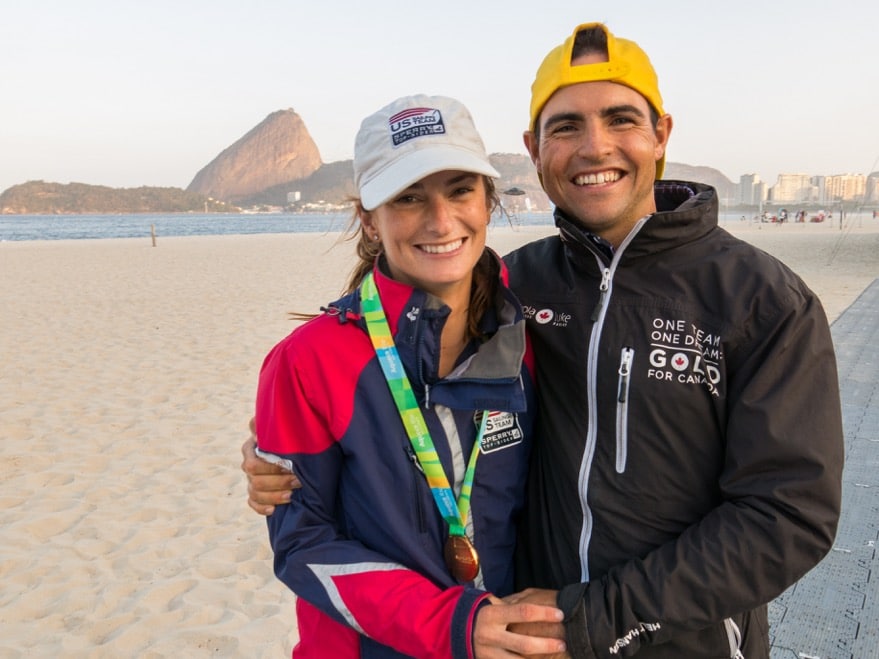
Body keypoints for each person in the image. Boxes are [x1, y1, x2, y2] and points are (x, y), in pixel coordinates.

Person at [245, 23, 844, 658]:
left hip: (675, 641)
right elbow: (367, 405)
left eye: (620, 120)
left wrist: (597, 617)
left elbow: (789, 515)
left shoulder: (762, 300)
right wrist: (276, 454)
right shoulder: (517, 290)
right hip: (528, 635)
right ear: (533, 149)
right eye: (565, 127)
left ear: (661, 135)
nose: (594, 147)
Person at [253, 94, 567, 659]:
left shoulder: (524, 335)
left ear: (489, 202)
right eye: (409, 197)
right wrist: (450, 625)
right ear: (370, 220)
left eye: (460, 190)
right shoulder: (307, 361)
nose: (441, 220)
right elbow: (300, 544)